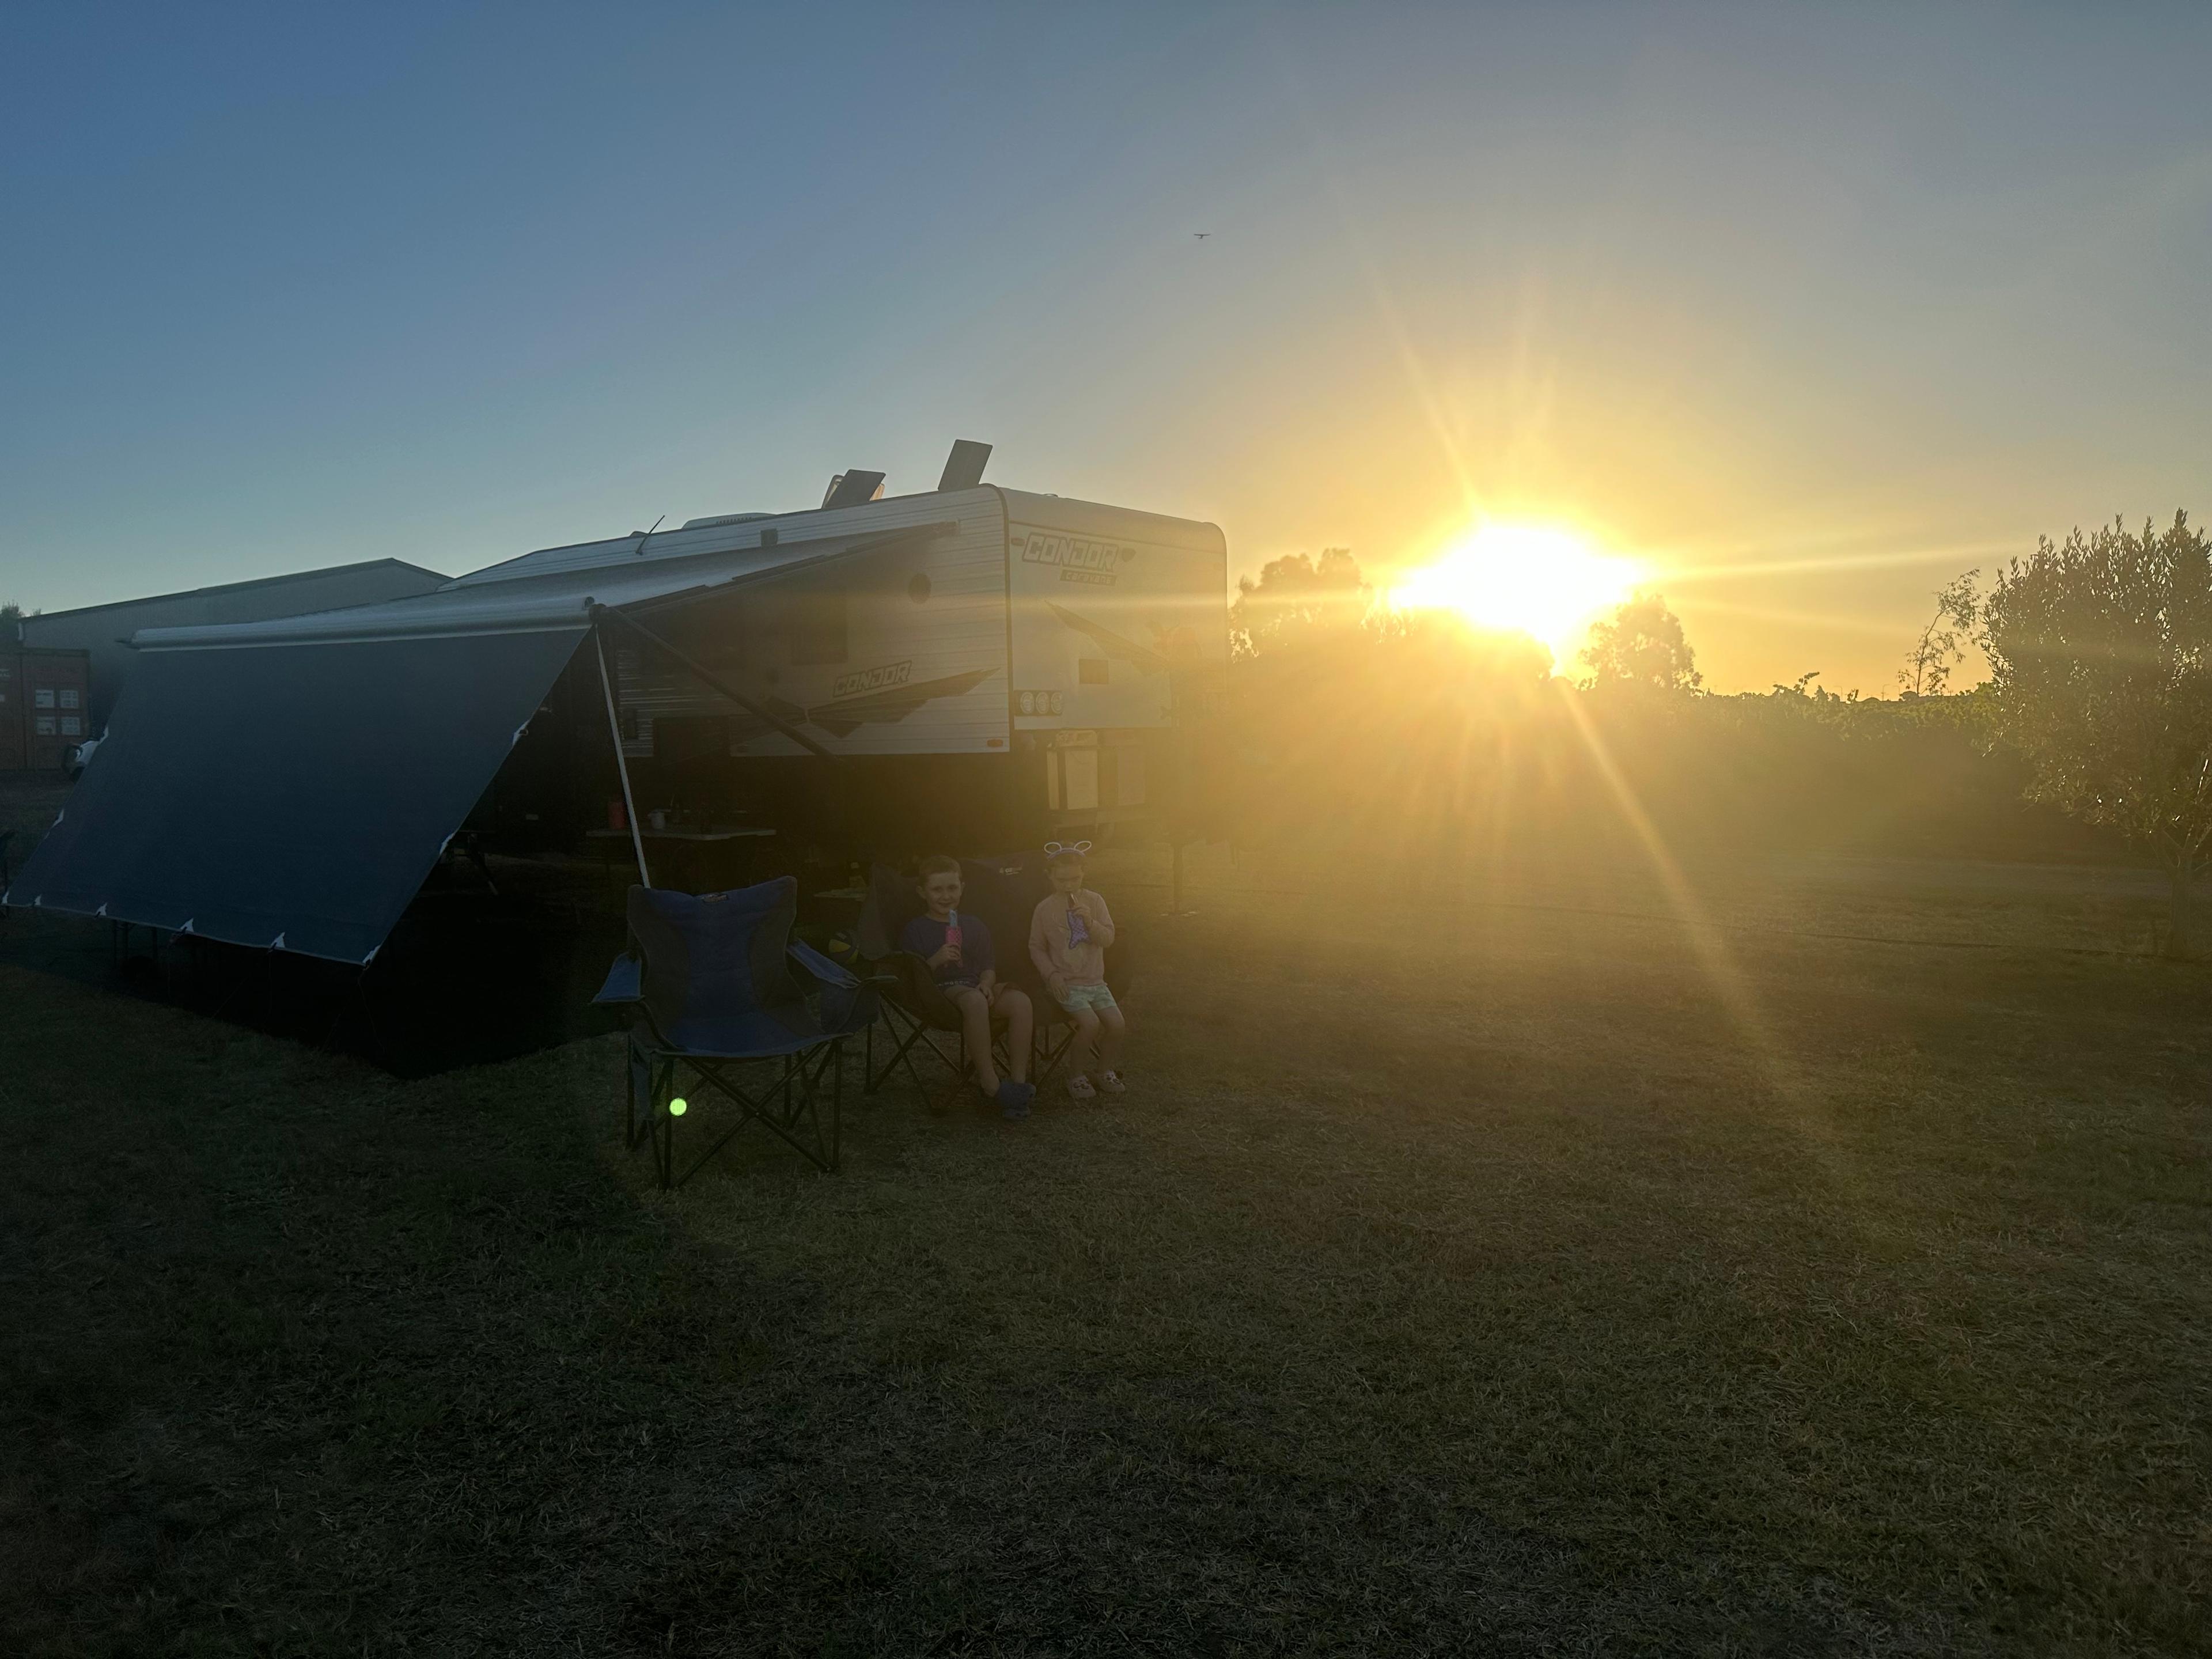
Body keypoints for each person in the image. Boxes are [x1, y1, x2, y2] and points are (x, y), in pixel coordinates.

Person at [899, 855, 1036, 1118]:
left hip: (976, 986)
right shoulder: (916, 929)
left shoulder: (974, 925)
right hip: (942, 992)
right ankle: (991, 1084)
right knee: (973, 1000)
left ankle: (1018, 1082)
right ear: (922, 892)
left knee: (1021, 1002)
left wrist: (986, 983)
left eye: (952, 888)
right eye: (937, 889)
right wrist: (936, 960)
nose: (945, 895)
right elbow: (913, 975)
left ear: (963, 887)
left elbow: (988, 965)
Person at [1028, 843, 1124, 1100]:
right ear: (1050, 876)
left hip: (1095, 981)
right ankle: (1076, 1076)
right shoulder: (1044, 909)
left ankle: (1103, 1070)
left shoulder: (1095, 901)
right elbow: (1036, 947)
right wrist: (1051, 974)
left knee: (1117, 1025)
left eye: (1075, 879)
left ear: (1084, 873)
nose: (1069, 885)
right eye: (1062, 880)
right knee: (1090, 1024)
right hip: (1066, 983)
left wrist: (1090, 922)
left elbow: (1108, 939)